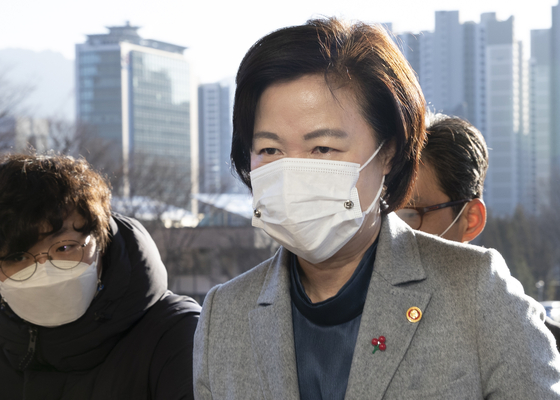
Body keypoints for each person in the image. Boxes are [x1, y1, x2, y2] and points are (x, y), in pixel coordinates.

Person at [193, 18, 560, 399]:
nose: (291, 172)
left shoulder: (475, 291)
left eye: (322, 148)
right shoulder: (224, 314)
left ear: (388, 153)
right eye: (270, 150)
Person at [0, 154, 200, 400]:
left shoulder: (176, 335)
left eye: (64, 248)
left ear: (101, 242)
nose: (44, 270)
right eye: (18, 258)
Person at [396, 112, 560, 350]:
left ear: (471, 220)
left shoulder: (536, 346)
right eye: (384, 213)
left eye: (410, 213)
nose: (392, 231)